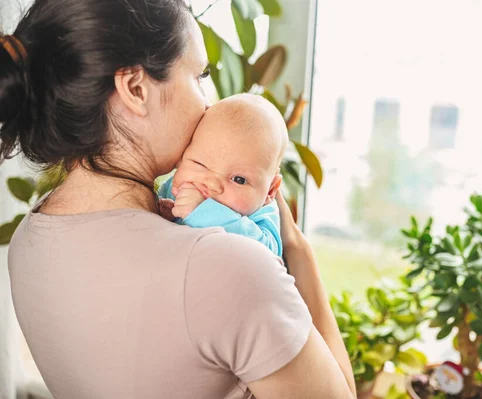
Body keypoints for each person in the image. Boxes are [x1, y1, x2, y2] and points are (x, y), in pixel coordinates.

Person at [0, 0, 356, 398]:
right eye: (199, 75)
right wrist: (299, 251)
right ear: (136, 89)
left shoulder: (27, 240)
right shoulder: (226, 266)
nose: (207, 102)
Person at [159, 93, 288, 257]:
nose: (212, 185)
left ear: (270, 190)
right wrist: (164, 214)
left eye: (239, 180)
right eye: (200, 164)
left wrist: (203, 213)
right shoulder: (174, 188)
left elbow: (265, 253)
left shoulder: (262, 214)